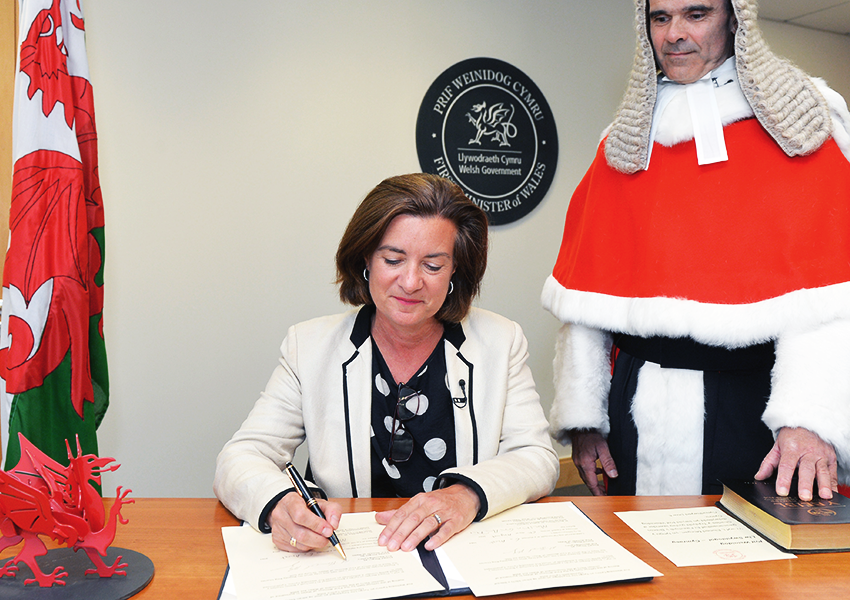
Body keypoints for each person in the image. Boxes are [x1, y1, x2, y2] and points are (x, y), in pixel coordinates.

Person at [543, 0, 850, 501]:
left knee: (749, 572)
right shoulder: (621, 142)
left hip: (754, 404)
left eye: (696, 14)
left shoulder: (800, 124)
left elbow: (830, 299)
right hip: (633, 406)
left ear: (735, 18)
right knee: (636, 559)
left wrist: (809, 419)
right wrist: (585, 418)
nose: (674, 34)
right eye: (660, 18)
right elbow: (585, 301)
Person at [215, 173, 558, 554]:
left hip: (456, 553)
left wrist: (465, 496)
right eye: (393, 259)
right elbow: (241, 457)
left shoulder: (501, 340)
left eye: (433, 265)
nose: (410, 282)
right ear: (366, 259)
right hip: (351, 560)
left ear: (455, 270)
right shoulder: (308, 346)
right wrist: (278, 504)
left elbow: (537, 457)